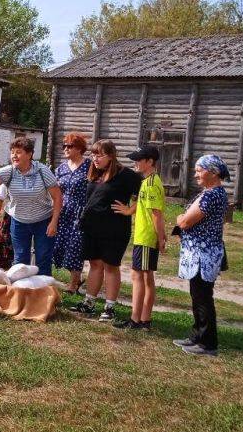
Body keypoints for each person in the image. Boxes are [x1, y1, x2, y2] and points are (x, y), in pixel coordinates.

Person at [71, 139, 142, 321]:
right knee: (95, 264)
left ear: (111, 155)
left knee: (111, 266)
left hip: (114, 229)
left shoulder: (124, 174)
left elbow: (146, 193)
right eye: (93, 154)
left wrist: (130, 209)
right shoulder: (95, 173)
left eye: (99, 155)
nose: (95, 158)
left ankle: (109, 308)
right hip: (92, 228)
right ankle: (89, 303)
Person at [0, 137, 61, 276]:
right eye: (12, 152)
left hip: (43, 221)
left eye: (18, 152)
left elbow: (58, 197)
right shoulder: (9, 171)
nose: (14, 155)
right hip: (19, 222)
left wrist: (54, 222)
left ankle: (44, 294)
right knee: (20, 261)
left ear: (29, 154)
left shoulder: (42, 171)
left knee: (43, 259)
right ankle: (21, 293)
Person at [173, 155, 230, 357]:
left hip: (203, 255)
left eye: (200, 170)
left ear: (213, 172)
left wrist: (180, 218)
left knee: (203, 297)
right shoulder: (213, 193)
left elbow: (186, 222)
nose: (196, 173)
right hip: (202, 252)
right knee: (197, 296)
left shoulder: (211, 195)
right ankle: (197, 336)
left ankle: (208, 343)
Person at [112, 145, 166, 331]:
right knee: (144, 277)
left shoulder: (151, 184)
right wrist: (129, 210)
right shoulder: (147, 181)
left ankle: (136, 319)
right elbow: (141, 202)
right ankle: (144, 319)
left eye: (138, 159)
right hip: (144, 237)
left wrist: (161, 238)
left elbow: (156, 214)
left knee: (140, 277)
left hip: (146, 237)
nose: (135, 162)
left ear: (150, 161)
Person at [52, 133, 92, 294]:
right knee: (61, 244)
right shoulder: (61, 168)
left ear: (80, 148)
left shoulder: (90, 166)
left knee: (75, 246)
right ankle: (75, 277)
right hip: (63, 211)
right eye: (64, 146)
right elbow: (54, 190)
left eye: (70, 146)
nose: (66, 149)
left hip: (80, 212)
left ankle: (74, 282)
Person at [0, 183, 14, 269]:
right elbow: (0, 197)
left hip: (29, 217)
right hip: (10, 215)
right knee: (5, 241)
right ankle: (3, 268)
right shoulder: (9, 176)